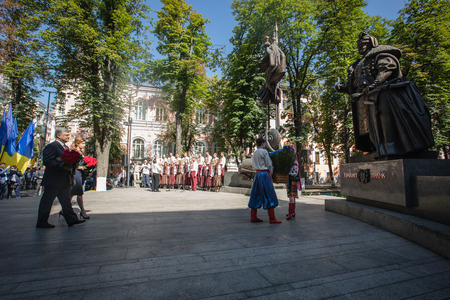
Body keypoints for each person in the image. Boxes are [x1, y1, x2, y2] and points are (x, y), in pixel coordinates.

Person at [335, 31, 434, 158]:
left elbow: (387, 68)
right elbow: (356, 87)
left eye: (363, 44)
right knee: (372, 128)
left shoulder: (379, 54)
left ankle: (392, 148)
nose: (360, 47)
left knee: (387, 123)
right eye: (358, 45)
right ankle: (379, 147)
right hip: (367, 100)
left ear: (371, 43)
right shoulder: (358, 64)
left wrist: (374, 84)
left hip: (385, 96)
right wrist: (343, 89)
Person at [36, 127, 85, 228]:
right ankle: (42, 221)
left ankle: (72, 219)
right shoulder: (52, 146)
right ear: (58, 135)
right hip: (54, 179)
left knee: (66, 201)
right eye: (66, 135)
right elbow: (48, 161)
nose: (68, 136)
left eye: (68, 135)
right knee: (48, 201)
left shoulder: (64, 147)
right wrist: (63, 165)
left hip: (63, 179)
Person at [248, 137, 281, 224]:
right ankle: (272, 218)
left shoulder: (254, 153)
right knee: (269, 194)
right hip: (264, 174)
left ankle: (253, 216)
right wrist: (272, 172)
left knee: (255, 194)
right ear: (263, 143)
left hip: (257, 175)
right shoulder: (264, 152)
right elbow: (269, 164)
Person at [69, 137, 90, 220]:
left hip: (80, 174)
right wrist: (81, 167)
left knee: (72, 193)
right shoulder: (74, 152)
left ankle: (65, 209)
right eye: (82, 143)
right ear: (78, 144)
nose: (84, 145)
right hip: (76, 173)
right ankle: (83, 211)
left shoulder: (81, 152)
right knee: (79, 192)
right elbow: (72, 163)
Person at [286, 146, 302, 220]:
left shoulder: (292, 160)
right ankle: (292, 212)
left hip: (292, 179)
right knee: (292, 195)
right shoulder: (295, 159)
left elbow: (293, 171)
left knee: (291, 196)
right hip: (293, 179)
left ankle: (291, 212)